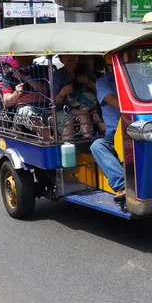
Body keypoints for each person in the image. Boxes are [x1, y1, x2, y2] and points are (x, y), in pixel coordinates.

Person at [89, 60, 125, 199]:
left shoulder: (140, 78)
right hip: (116, 130)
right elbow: (112, 100)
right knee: (98, 146)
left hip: (142, 124)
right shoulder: (104, 82)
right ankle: (122, 185)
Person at [53, 55, 102, 139]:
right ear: (61, 59)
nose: (71, 57)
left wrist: (87, 82)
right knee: (83, 114)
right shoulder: (58, 75)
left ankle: (110, 139)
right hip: (68, 108)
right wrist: (62, 93)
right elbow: (54, 101)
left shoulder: (85, 70)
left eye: (73, 55)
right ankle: (88, 141)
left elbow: (99, 88)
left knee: (98, 113)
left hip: (89, 102)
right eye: (66, 56)